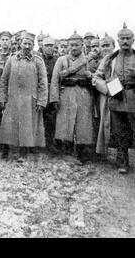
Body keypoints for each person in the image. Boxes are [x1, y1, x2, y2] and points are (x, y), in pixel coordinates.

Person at [0, 31, 48, 162]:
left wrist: (42, 101)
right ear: (20, 44)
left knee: (27, 127)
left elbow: (43, 82)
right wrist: (2, 98)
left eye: (29, 44)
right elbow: (4, 80)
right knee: (10, 126)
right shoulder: (12, 59)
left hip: (30, 100)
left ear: (33, 45)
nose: (26, 46)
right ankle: (9, 151)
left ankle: (23, 153)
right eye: (24, 43)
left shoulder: (38, 61)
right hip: (13, 98)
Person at [93, 24, 135, 174]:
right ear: (117, 40)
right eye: (122, 38)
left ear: (133, 39)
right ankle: (123, 162)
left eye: (128, 38)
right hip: (117, 100)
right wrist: (109, 89)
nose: (125, 41)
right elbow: (96, 78)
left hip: (133, 97)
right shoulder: (110, 59)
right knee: (120, 133)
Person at [50, 31, 94, 163]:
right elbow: (54, 80)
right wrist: (54, 98)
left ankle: (82, 152)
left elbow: (94, 77)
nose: (74, 48)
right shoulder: (61, 60)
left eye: (77, 45)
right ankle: (67, 150)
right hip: (66, 94)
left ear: (82, 45)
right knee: (65, 122)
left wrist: (89, 77)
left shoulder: (87, 60)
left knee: (83, 123)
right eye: (71, 45)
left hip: (83, 93)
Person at [92, 33, 115, 158]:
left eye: (108, 45)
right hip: (107, 96)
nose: (106, 48)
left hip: (126, 97)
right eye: (103, 46)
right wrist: (109, 88)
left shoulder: (120, 57)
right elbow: (96, 77)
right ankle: (103, 152)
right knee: (105, 123)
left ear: (114, 46)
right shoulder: (104, 61)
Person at [41, 36, 59, 153]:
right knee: (37, 118)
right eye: (46, 46)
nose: (49, 48)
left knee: (51, 119)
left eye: (51, 46)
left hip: (52, 91)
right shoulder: (38, 59)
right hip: (40, 91)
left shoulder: (58, 60)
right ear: (42, 47)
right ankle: (36, 143)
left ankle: (49, 143)